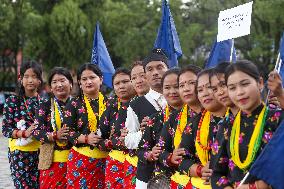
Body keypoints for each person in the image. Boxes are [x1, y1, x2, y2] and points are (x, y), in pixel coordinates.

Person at [211, 60, 284, 189]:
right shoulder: (226, 125)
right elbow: (216, 173)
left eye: (244, 84)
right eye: (232, 88)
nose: (239, 92)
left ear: (260, 83)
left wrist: (280, 94)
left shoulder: (276, 118)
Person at [123, 49, 168, 188]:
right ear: (146, 75)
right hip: (147, 173)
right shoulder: (136, 104)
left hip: (176, 172)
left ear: (168, 70)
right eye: (149, 69)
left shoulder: (179, 99)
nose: (155, 72)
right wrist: (146, 133)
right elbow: (128, 140)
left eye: (160, 67)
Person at [176, 69, 227, 189]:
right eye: (200, 90)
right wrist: (200, 170)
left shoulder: (239, 118)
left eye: (209, 87)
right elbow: (181, 159)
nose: (204, 93)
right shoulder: (195, 123)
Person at [158, 65, 203, 188]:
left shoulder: (216, 114)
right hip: (181, 182)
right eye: (181, 85)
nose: (186, 89)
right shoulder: (174, 118)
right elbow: (161, 151)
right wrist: (171, 157)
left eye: (191, 83)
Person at [63, 63, 108, 189]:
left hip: (107, 161)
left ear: (101, 79)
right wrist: (86, 139)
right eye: (84, 79)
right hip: (81, 161)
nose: (88, 81)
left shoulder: (111, 103)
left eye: (92, 77)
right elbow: (67, 133)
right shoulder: (73, 105)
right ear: (79, 82)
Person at [137, 68, 184, 182]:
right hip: (162, 181)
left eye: (177, 86)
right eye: (167, 88)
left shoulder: (196, 117)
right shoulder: (155, 119)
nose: (172, 91)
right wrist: (150, 154)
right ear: (162, 91)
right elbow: (141, 150)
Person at [2, 60, 43, 188]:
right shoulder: (12, 101)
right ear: (20, 79)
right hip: (19, 154)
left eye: (34, 76)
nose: (30, 80)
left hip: (40, 153)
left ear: (39, 81)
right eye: (26, 76)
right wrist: (24, 133)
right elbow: (6, 129)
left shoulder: (45, 102)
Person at [32, 67, 73, 188]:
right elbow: (36, 132)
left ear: (70, 84)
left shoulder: (79, 105)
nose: (59, 84)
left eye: (62, 80)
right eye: (54, 82)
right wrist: (55, 135)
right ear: (50, 87)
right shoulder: (44, 106)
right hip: (51, 161)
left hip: (76, 160)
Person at [98, 68, 136, 189]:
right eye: (117, 83)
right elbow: (99, 139)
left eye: (125, 81)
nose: (121, 86)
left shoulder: (143, 104)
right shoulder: (111, 107)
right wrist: (113, 142)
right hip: (115, 163)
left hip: (137, 162)